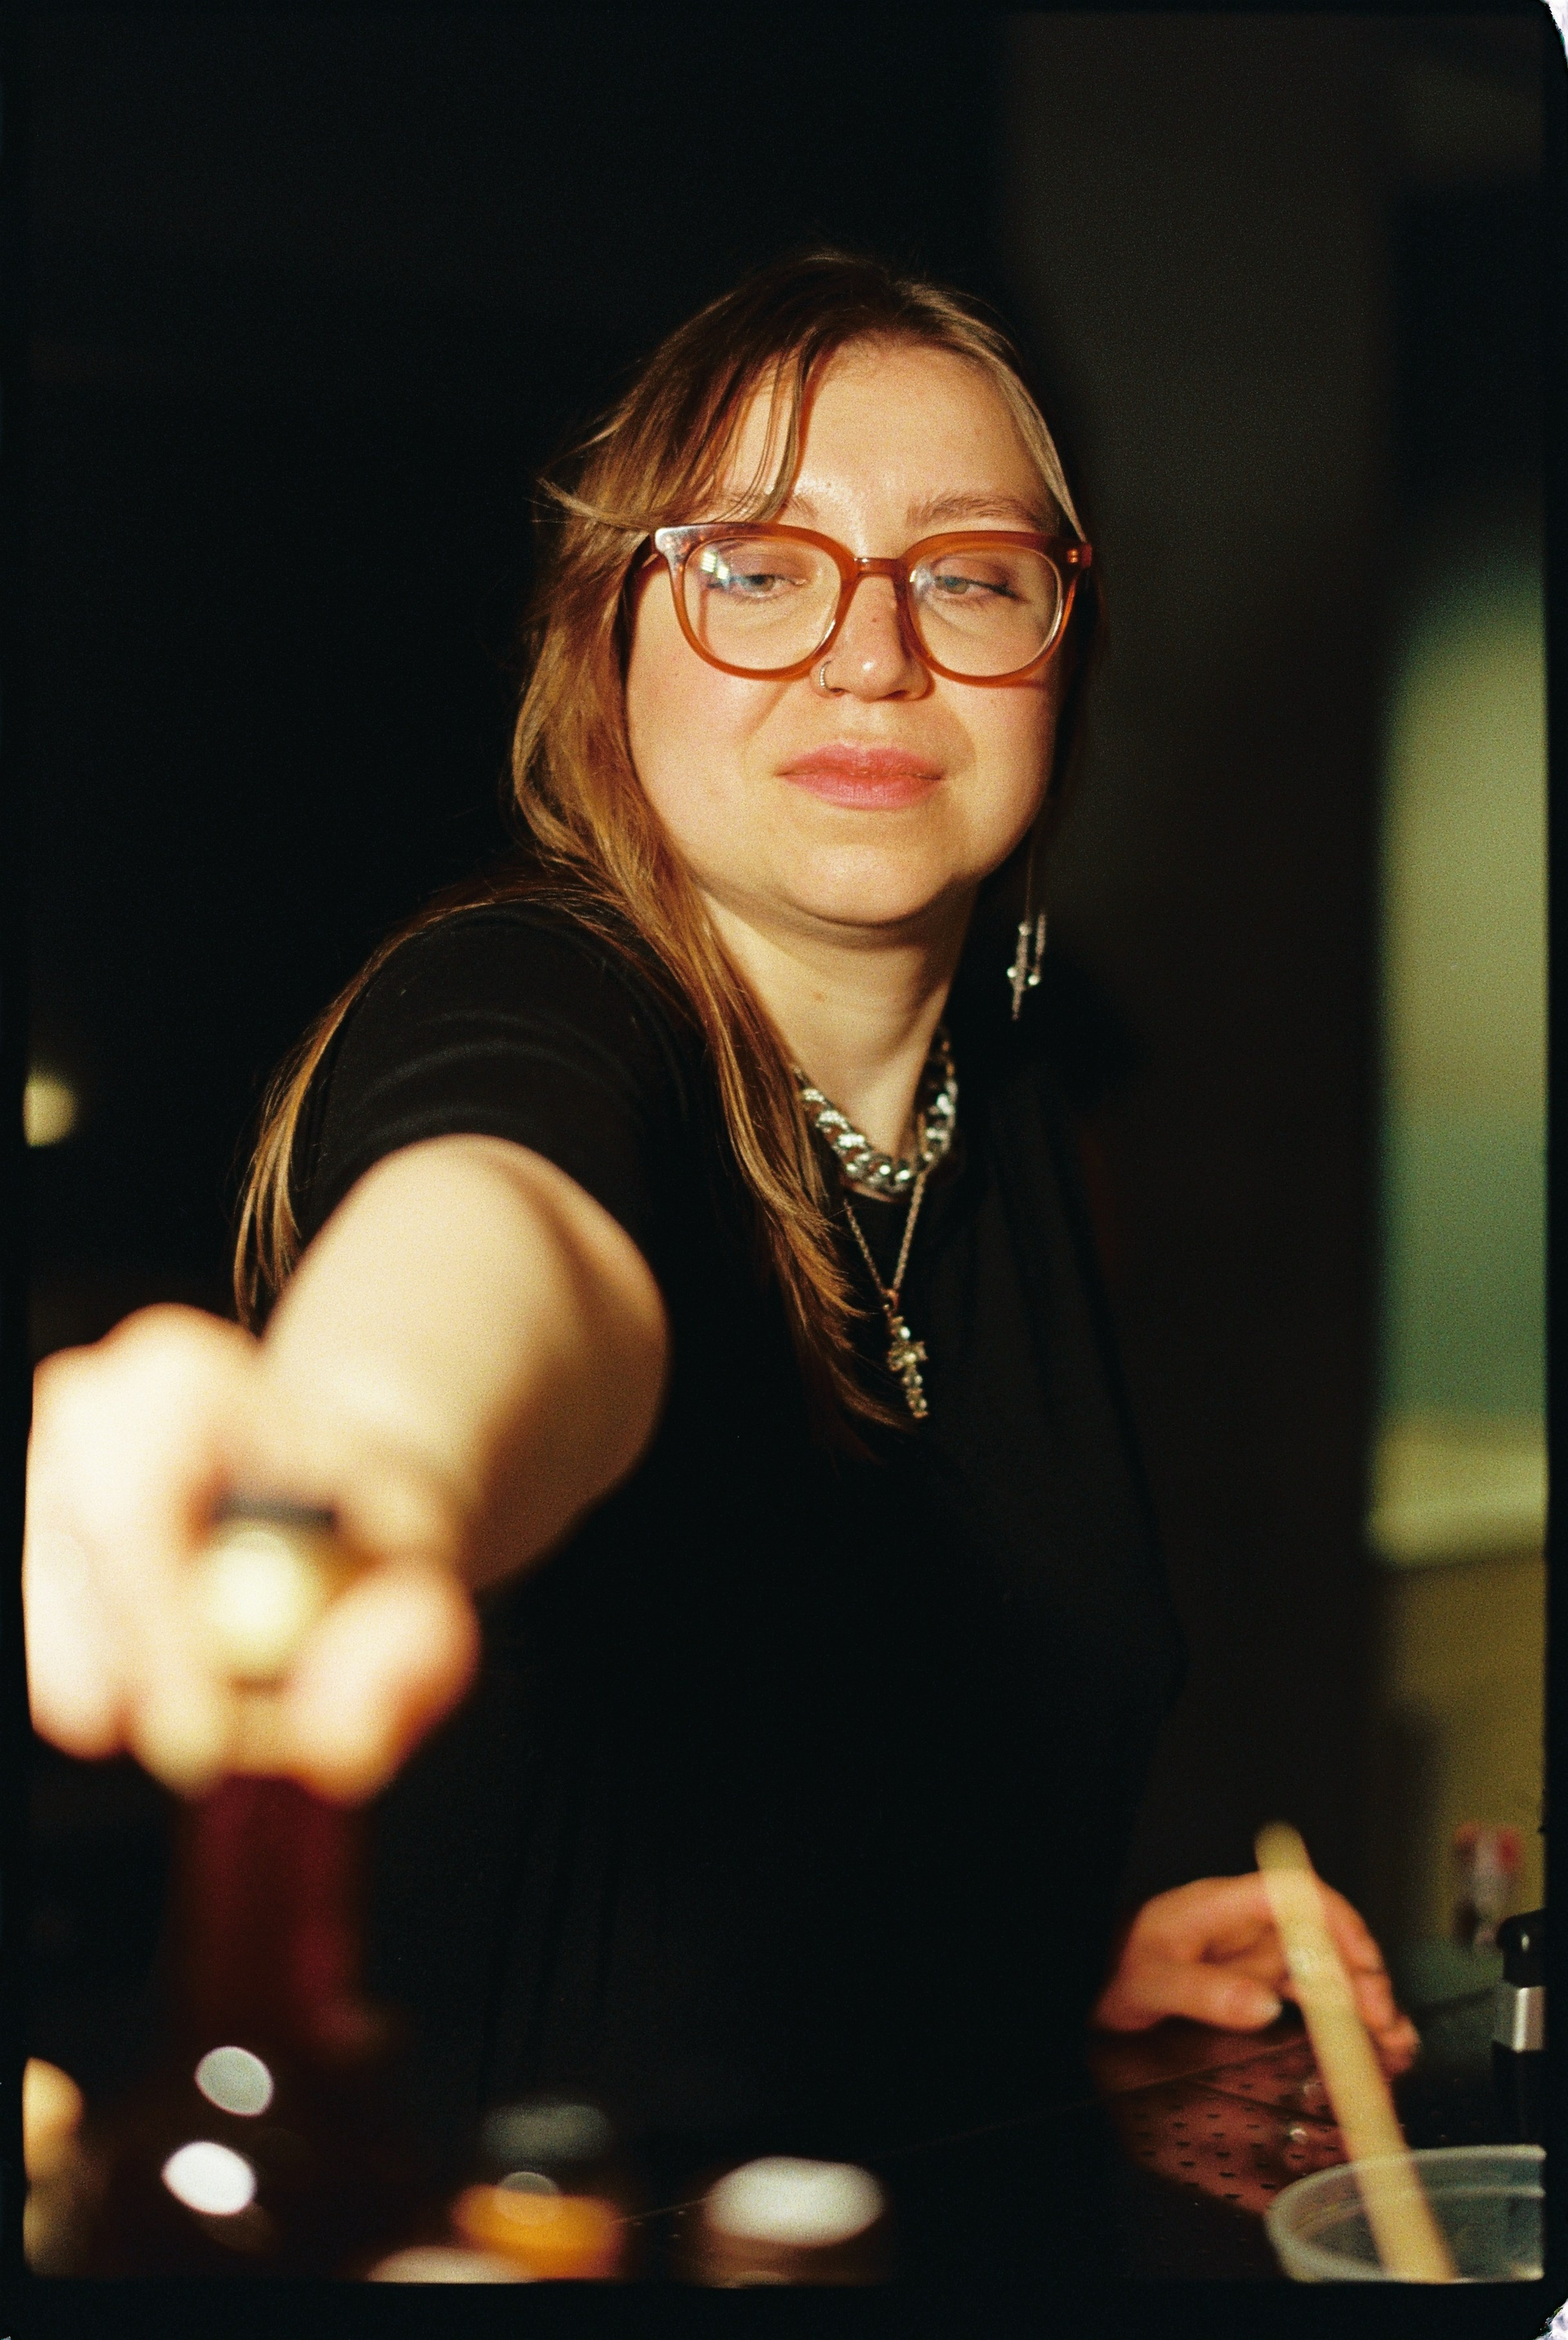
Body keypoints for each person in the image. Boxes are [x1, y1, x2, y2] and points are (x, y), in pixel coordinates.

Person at [24, 252, 1416, 2186]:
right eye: (757, 569)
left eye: (969, 573)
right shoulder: (536, 996)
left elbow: (805, 1825)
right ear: (604, 637)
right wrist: (356, 1461)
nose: (874, 653)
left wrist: (1041, 1978)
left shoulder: (1002, 1111)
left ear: (1061, 644)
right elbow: (505, 1230)